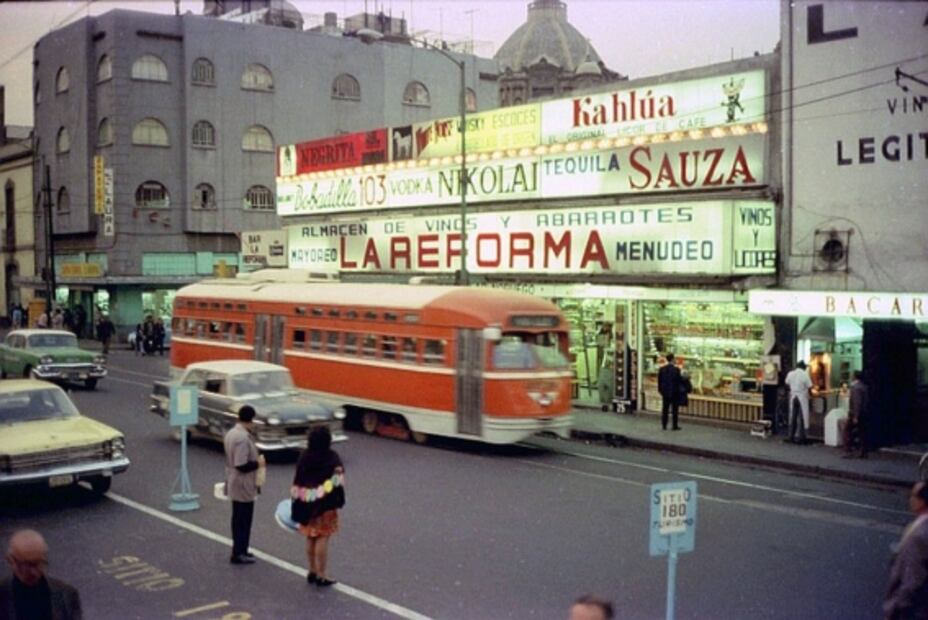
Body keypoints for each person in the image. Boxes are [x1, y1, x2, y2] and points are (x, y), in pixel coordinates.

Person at [291, 426, 345, 587]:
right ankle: (322, 573)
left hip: (307, 501)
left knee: (311, 536)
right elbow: (337, 479)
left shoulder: (304, 456)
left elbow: (298, 478)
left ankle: (312, 570)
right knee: (323, 536)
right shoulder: (331, 457)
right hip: (325, 503)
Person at [0, 529, 83, 619]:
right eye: (28, 565)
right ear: (11, 561)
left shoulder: (67, 594)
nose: (34, 572)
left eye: (39, 563)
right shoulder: (2, 595)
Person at [224, 408, 264, 565]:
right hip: (243, 483)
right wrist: (258, 463)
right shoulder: (242, 438)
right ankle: (239, 552)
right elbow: (241, 464)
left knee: (238, 518)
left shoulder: (232, 433)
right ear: (251, 420)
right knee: (243, 519)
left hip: (234, 481)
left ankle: (240, 549)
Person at [885, 481, 928, 619]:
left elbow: (912, 582)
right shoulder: (918, 526)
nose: (910, 499)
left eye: (913, 495)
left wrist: (895, 609)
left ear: (922, 501)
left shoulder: (919, 536)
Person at [843, 370, 871, 458]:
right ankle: (863, 452)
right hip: (864, 412)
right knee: (862, 432)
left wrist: (855, 416)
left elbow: (856, 402)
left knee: (847, 431)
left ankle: (849, 451)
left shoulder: (855, 388)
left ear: (854, 377)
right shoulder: (864, 387)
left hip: (855, 414)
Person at [785, 361, 813, 444]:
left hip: (793, 397)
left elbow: (786, 383)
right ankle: (801, 437)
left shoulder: (790, 373)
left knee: (793, 417)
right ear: (803, 367)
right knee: (802, 417)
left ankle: (791, 436)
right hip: (802, 397)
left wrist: (792, 389)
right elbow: (810, 386)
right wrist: (811, 395)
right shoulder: (804, 374)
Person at [658, 353, 683, 431]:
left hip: (665, 392)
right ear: (672, 359)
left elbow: (659, 381)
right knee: (675, 410)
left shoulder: (662, 369)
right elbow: (679, 381)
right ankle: (674, 425)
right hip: (674, 392)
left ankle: (664, 425)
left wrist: (661, 391)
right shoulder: (676, 370)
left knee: (665, 409)